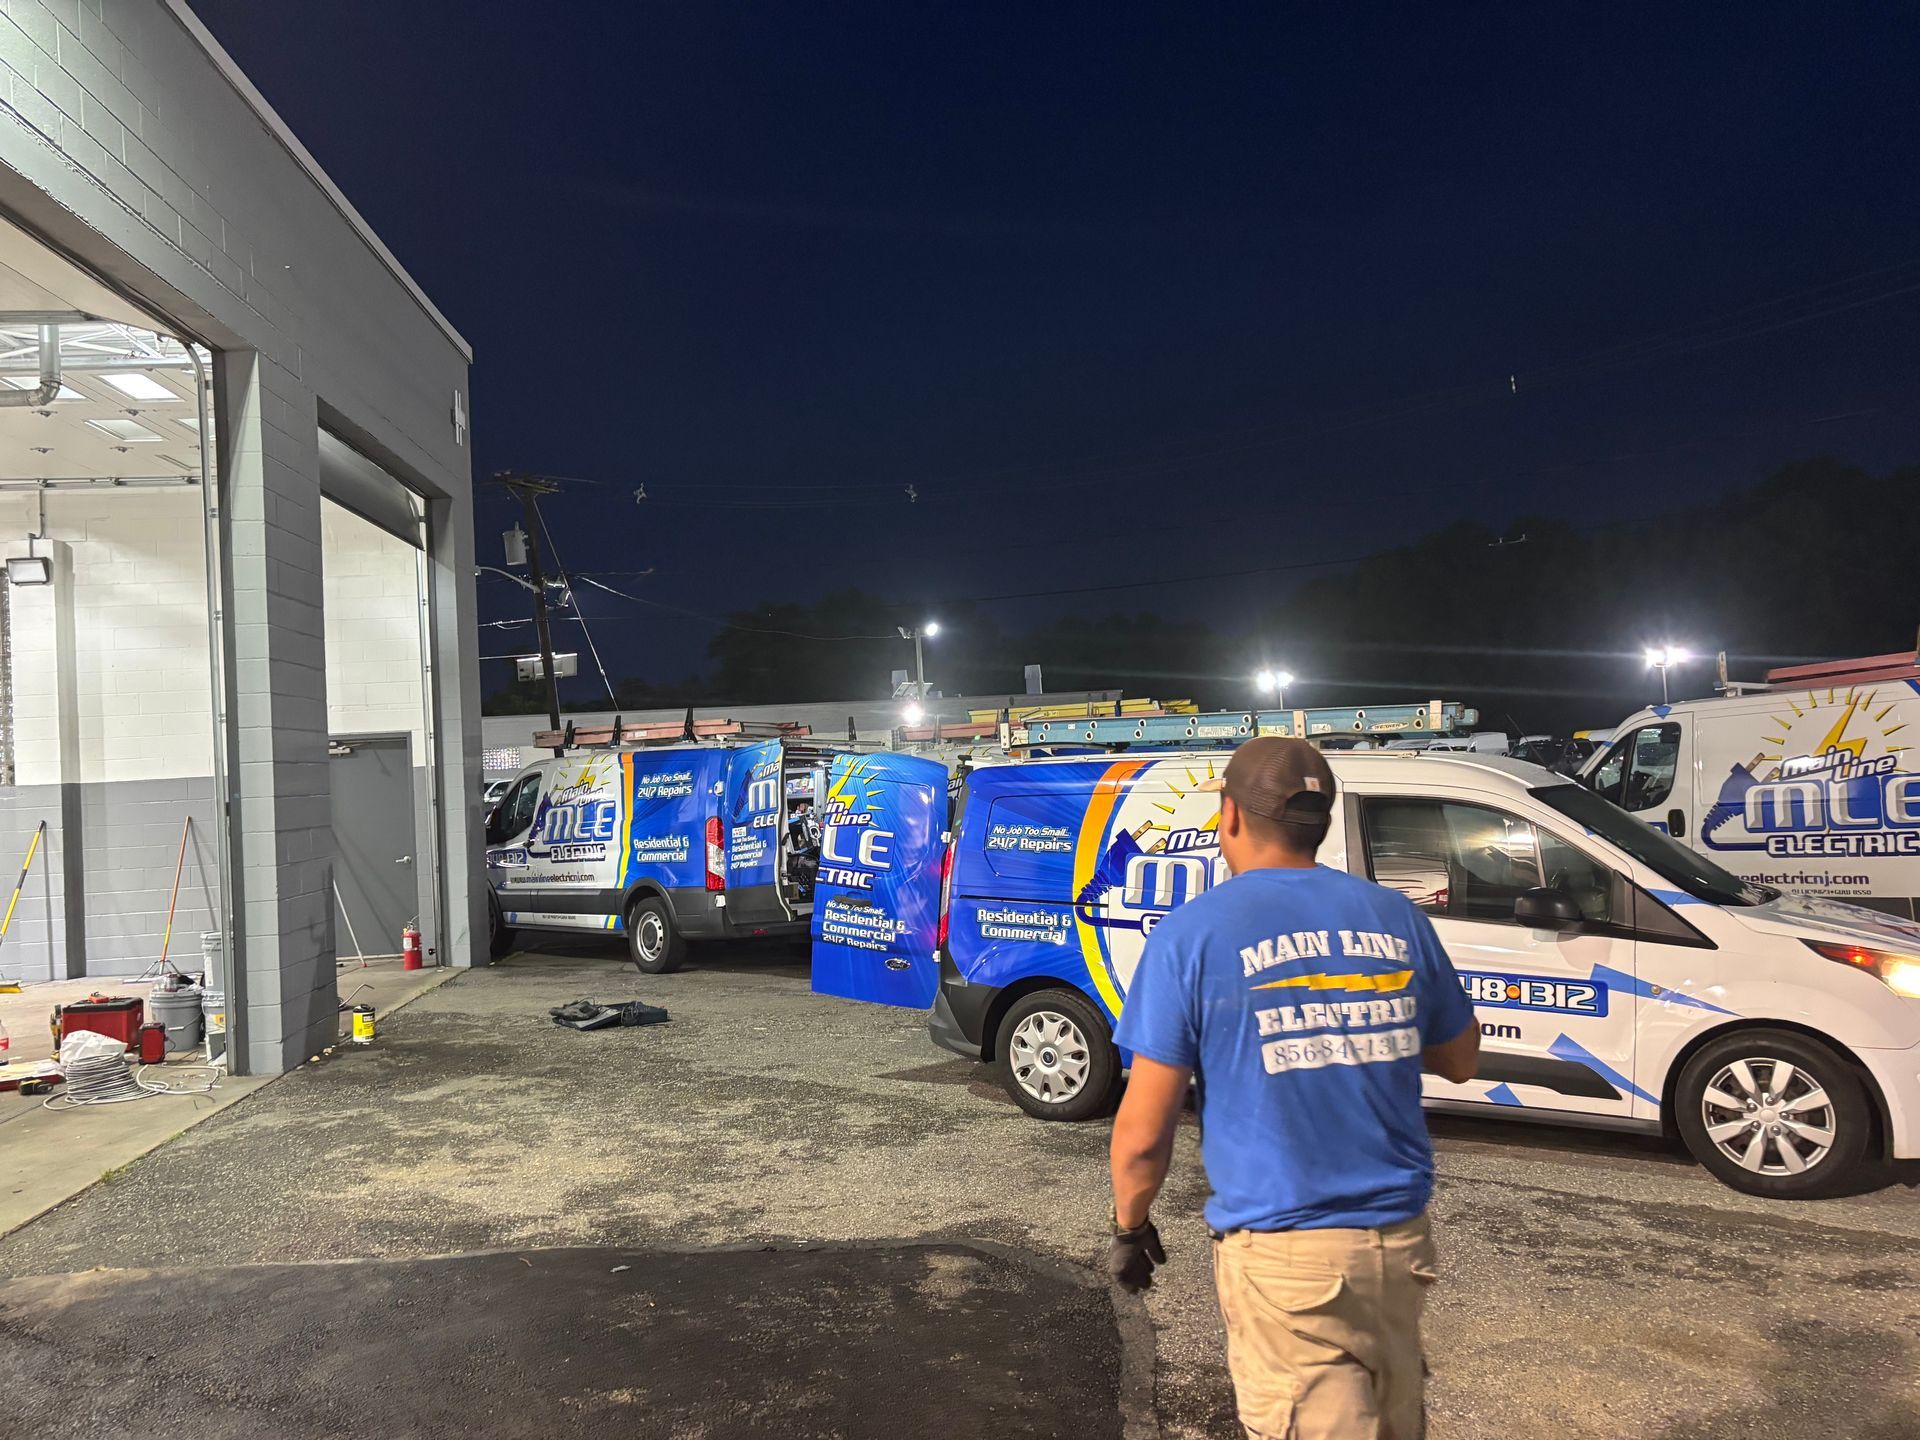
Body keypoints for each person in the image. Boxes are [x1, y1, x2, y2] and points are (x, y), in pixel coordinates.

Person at [1106, 737, 1479, 1440]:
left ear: (1231, 817)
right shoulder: (1396, 917)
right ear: (1324, 822)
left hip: (1290, 1261)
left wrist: (1130, 1226)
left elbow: (1144, 1131)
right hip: (1399, 1248)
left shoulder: (1193, 935)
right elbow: (1460, 1057)